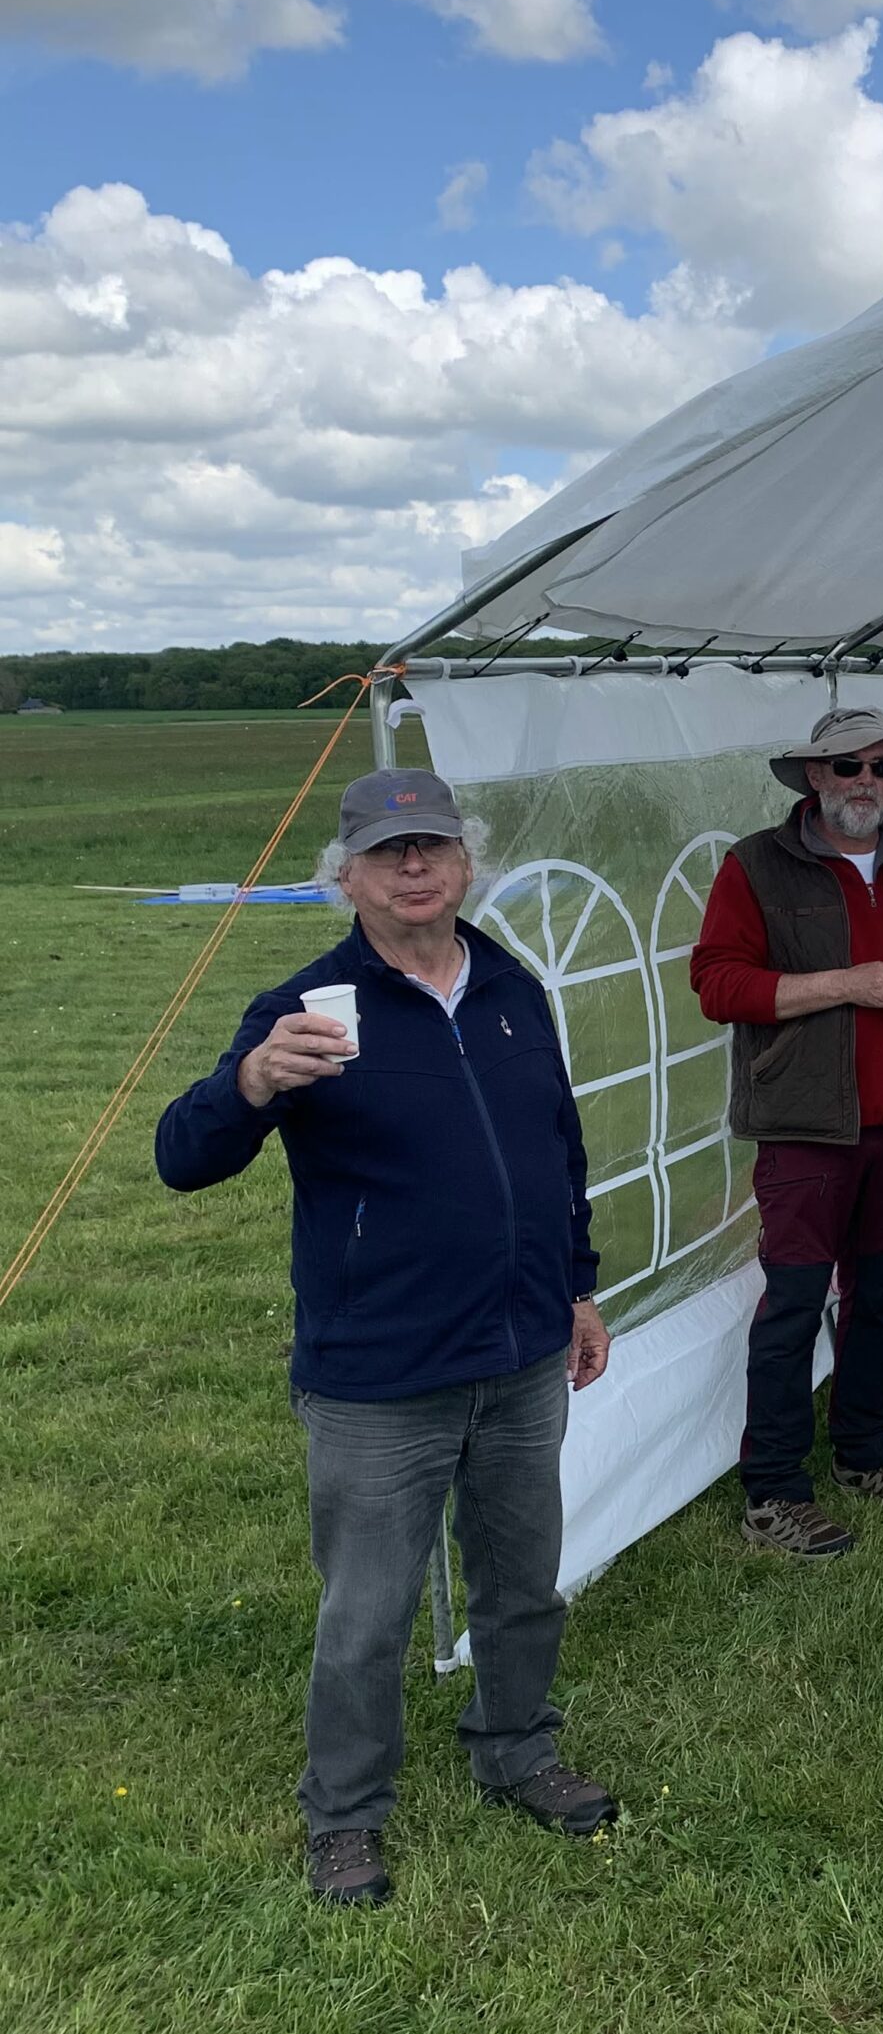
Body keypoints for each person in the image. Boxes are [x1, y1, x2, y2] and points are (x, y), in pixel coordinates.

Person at [154, 769, 618, 1908]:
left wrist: (576, 1288)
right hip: (380, 1374)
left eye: (433, 846)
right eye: (386, 852)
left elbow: (557, 1150)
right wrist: (250, 1081)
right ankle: (346, 1813)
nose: (414, 868)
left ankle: (516, 1747)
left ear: (467, 861)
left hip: (521, 1352)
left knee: (523, 1583)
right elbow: (182, 1158)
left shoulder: (510, 984)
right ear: (345, 877)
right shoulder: (304, 1008)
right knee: (367, 1613)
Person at [690, 707, 883, 1558]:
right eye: (848, 765)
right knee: (792, 1305)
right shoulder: (756, 863)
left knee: (881, 1297)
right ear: (814, 774)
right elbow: (717, 984)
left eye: (882, 766)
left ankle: (864, 1452)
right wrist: (847, 983)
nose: (866, 781)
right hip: (804, 1124)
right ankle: (774, 1490)